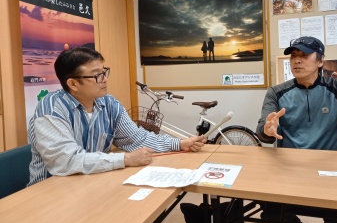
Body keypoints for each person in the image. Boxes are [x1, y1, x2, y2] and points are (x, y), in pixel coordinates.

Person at [27, 47, 207, 186]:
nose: (104, 79)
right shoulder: (51, 109)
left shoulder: (109, 103)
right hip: (51, 190)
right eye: (97, 75)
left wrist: (180, 143)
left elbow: (136, 138)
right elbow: (66, 162)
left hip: (92, 182)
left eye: (104, 72)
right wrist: (125, 159)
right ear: (73, 83)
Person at [256, 36, 337, 223]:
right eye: (293, 56)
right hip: (290, 168)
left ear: (321, 60)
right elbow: (263, 131)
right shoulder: (276, 92)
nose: (296, 60)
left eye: (304, 55)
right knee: (270, 210)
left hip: (331, 171)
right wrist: (266, 129)